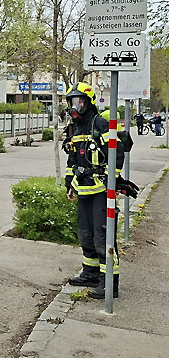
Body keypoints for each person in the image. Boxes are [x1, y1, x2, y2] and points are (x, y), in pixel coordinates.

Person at [65, 83, 125, 298]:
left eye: (79, 101)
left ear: (89, 103)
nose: (75, 106)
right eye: (72, 102)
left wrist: (112, 181)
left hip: (102, 191)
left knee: (103, 236)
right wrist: (69, 185)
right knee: (86, 234)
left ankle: (109, 284)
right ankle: (90, 274)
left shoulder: (99, 124)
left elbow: (117, 152)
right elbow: (72, 160)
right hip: (83, 189)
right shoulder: (75, 128)